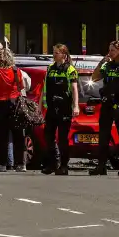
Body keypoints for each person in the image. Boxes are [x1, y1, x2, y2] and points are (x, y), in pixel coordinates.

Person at [91, 40, 119, 176]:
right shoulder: (107, 66)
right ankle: (101, 166)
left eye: (112, 50)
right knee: (103, 136)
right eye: (109, 50)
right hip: (107, 104)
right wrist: (101, 63)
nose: (110, 52)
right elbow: (94, 78)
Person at [0, 47, 26, 172]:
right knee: (18, 134)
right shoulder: (15, 70)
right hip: (15, 103)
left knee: (2, 135)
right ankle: (20, 164)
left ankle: (2, 164)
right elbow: (21, 86)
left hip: (0, 105)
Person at [41, 43, 80, 176]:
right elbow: (44, 87)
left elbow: (74, 89)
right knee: (48, 136)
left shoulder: (70, 70)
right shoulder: (50, 68)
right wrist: (41, 104)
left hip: (64, 108)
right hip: (51, 108)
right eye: (53, 52)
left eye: (56, 52)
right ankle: (53, 163)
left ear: (64, 54)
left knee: (63, 138)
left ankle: (64, 165)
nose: (54, 55)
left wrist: (76, 106)